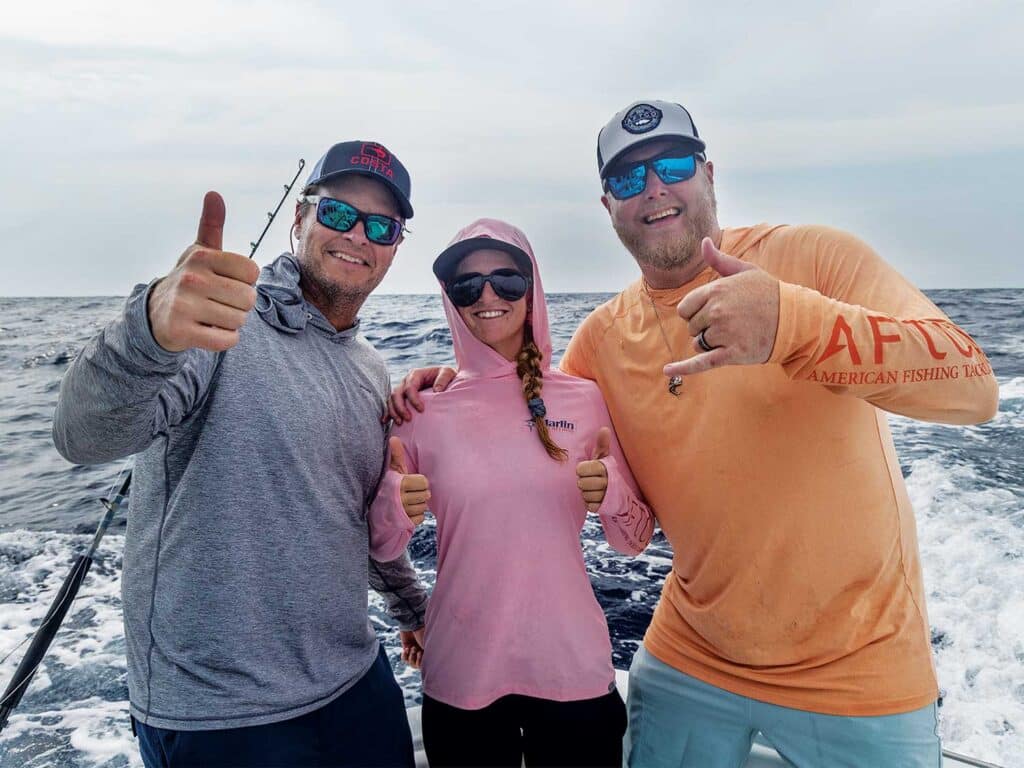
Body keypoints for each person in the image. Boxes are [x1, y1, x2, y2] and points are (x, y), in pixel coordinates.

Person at [389, 102, 1000, 767]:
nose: (655, 187)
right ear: (608, 205)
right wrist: (444, 382)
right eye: (628, 178)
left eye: (673, 164)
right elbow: (528, 415)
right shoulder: (600, 340)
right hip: (693, 657)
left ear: (708, 173)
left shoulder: (810, 255)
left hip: (858, 668)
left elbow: (971, 385)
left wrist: (795, 326)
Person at [52, 141, 429, 768]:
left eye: (382, 226)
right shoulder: (216, 328)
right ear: (300, 218)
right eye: (338, 214)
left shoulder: (368, 368)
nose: (358, 236)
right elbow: (82, 436)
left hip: (354, 679)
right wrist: (149, 333)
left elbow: (358, 515)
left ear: (394, 248)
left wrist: (412, 608)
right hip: (219, 714)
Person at [369, 218, 655, 767]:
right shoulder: (420, 409)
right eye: (467, 285)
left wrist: (613, 493)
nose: (488, 296)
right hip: (462, 674)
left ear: (534, 288)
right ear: (450, 299)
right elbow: (382, 547)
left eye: (507, 279)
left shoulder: (584, 399)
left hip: (574, 670)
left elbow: (632, 543)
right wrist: (392, 505)